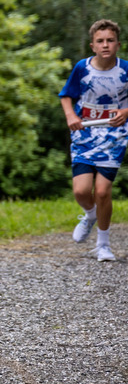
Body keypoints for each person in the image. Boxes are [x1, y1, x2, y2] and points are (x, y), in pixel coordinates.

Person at [59, 19, 128, 262]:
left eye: (110, 40)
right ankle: (89, 215)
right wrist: (70, 116)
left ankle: (103, 245)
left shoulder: (125, 69)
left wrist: (126, 112)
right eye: (100, 41)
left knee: (102, 191)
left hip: (113, 135)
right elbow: (66, 96)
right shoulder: (83, 68)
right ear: (92, 45)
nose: (105, 45)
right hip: (85, 133)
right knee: (80, 191)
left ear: (118, 44)